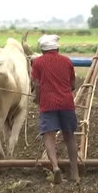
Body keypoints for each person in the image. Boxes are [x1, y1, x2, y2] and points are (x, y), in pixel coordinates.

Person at [31, 34, 79, 184]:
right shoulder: (67, 61)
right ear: (57, 48)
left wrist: (38, 99)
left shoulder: (37, 63)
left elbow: (37, 85)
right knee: (69, 136)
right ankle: (75, 172)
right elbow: (73, 85)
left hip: (47, 103)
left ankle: (56, 167)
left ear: (42, 49)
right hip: (66, 103)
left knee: (48, 136)